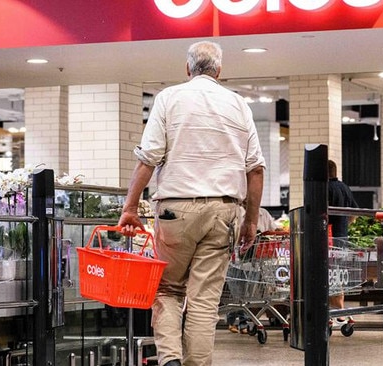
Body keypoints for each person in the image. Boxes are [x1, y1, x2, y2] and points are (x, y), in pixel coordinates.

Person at [117, 40, 265, 366]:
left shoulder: (169, 98)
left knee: (167, 289)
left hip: (175, 211)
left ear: (188, 69)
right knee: (204, 301)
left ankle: (170, 360)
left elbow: (149, 159)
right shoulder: (239, 104)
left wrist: (129, 208)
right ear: (219, 71)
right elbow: (255, 168)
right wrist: (251, 221)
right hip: (224, 211)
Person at [226, 205, 280, 334]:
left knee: (247, 295)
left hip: (258, 262)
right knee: (237, 294)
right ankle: (237, 322)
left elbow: (273, 229)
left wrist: (279, 231)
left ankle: (243, 322)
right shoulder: (236, 212)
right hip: (238, 261)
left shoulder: (263, 213)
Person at [327, 160, 358, 319]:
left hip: (327, 240)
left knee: (327, 275)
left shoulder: (323, 188)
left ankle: (335, 311)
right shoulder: (345, 187)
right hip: (342, 239)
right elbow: (354, 213)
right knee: (336, 275)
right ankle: (339, 309)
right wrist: (344, 226)